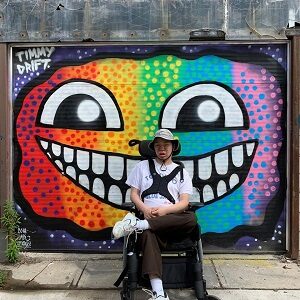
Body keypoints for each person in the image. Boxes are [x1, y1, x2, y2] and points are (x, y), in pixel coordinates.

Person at [112, 129, 197, 300]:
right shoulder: (142, 167)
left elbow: (184, 203)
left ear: (173, 147)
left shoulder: (181, 173)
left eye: (165, 145)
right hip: (148, 218)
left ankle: (137, 225)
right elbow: (134, 194)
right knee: (148, 234)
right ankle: (159, 294)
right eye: (158, 145)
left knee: (191, 217)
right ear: (153, 148)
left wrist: (165, 210)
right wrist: (143, 209)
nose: (162, 148)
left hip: (171, 223)